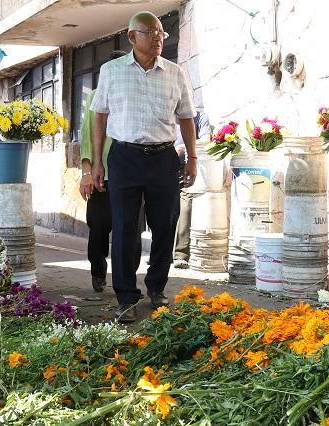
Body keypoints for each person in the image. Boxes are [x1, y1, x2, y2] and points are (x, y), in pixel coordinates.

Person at [90, 11, 197, 323]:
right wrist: (96, 162)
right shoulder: (111, 71)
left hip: (164, 158)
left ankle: (157, 288)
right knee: (124, 228)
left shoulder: (176, 73)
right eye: (151, 32)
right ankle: (125, 296)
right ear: (132, 36)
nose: (159, 38)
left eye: (162, 33)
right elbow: (100, 115)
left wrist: (192, 158)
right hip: (123, 157)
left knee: (165, 226)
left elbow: (187, 118)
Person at [79, 49, 143, 294]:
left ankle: (127, 277)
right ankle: (98, 272)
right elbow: (87, 137)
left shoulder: (136, 95)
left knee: (132, 231)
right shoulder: (96, 95)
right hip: (102, 174)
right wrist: (87, 172)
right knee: (99, 227)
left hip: (132, 173)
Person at [173, 110, 212, 269]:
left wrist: (184, 148)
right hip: (161, 166)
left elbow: (206, 140)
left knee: (185, 206)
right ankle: (160, 252)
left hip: (185, 167)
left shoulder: (200, 116)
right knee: (161, 208)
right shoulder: (164, 113)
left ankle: (180, 254)